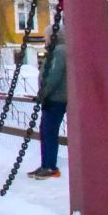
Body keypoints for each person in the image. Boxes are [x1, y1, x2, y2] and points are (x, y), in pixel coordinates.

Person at [30, 36, 68, 179]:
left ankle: (49, 165)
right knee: (46, 130)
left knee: (48, 131)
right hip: (55, 96)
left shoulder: (59, 52)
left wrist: (44, 93)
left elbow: (53, 75)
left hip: (55, 98)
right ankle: (46, 164)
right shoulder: (59, 51)